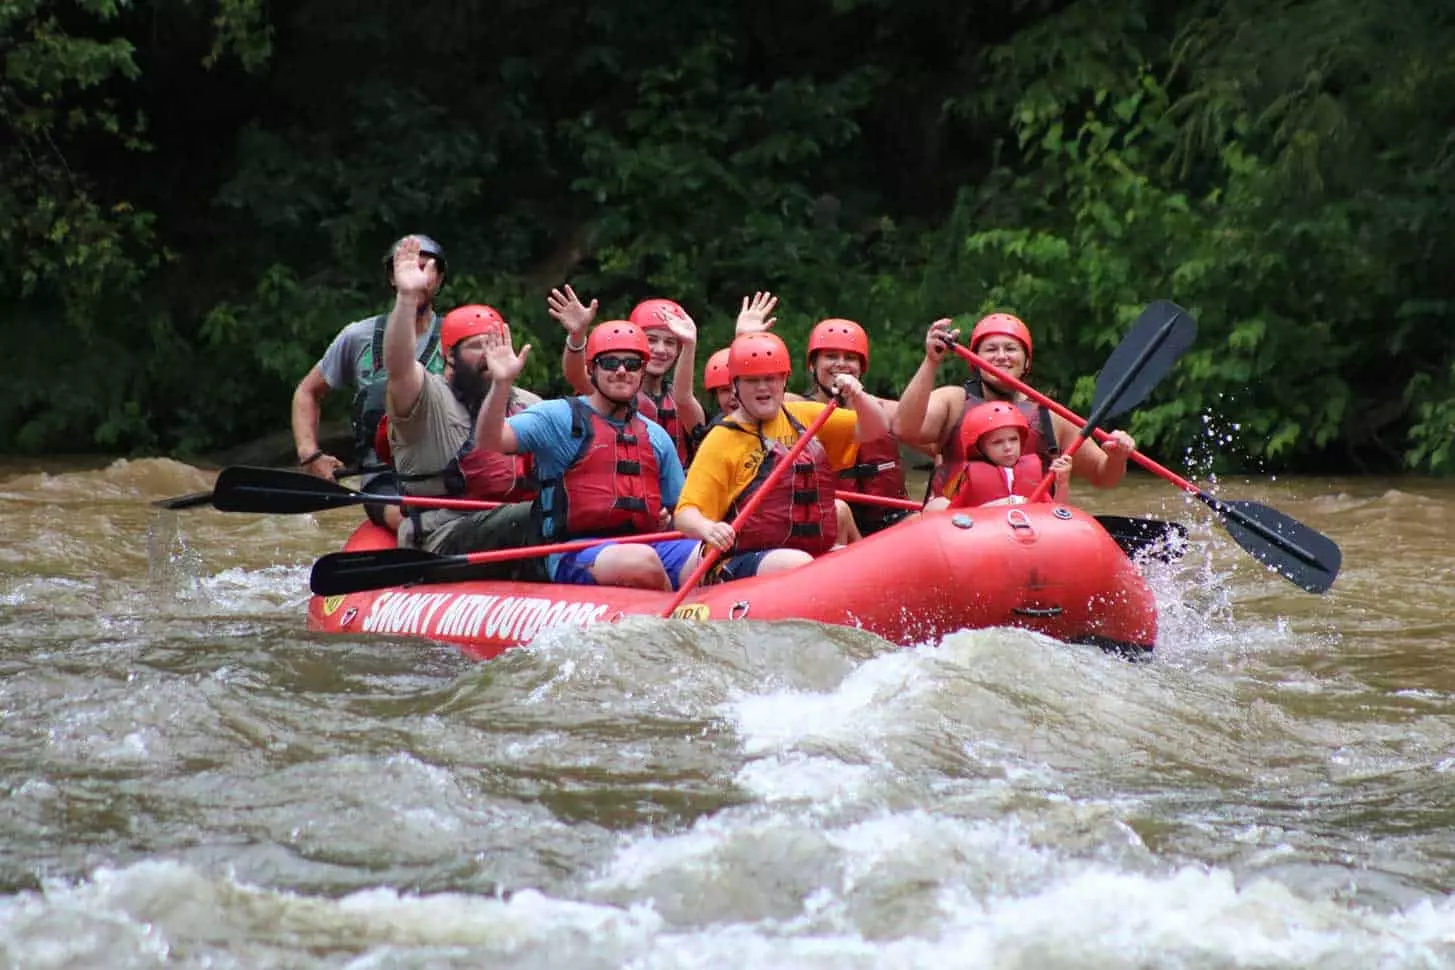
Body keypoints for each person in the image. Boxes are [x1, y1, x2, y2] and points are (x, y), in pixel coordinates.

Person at [477, 320, 703, 590]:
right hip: (573, 551)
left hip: (645, 544)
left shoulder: (655, 437)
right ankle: (673, 616)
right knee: (641, 561)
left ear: (642, 372)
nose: (621, 371)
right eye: (610, 363)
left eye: (631, 365)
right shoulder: (558, 417)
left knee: (706, 555)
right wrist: (501, 384)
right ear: (591, 369)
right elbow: (491, 440)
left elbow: (681, 510)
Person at [381, 239, 546, 576]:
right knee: (538, 513)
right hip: (440, 537)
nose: (490, 354)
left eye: (496, 344)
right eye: (476, 347)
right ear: (448, 357)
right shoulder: (427, 397)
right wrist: (407, 299)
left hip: (513, 530)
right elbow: (398, 366)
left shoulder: (530, 404)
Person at [673, 332, 890, 583]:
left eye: (771, 378)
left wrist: (858, 396)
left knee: (849, 559)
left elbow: (877, 428)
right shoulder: (720, 440)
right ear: (735, 386)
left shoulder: (803, 417)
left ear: (785, 381)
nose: (763, 387)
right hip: (736, 560)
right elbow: (685, 515)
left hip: (802, 551)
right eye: (753, 380)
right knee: (797, 563)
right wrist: (708, 528)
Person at [290, 233, 447, 530]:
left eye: (426, 268)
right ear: (392, 277)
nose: (417, 274)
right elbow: (307, 393)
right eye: (409, 266)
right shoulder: (357, 336)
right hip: (382, 473)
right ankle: (414, 528)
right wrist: (311, 454)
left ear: (438, 280)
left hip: (443, 468)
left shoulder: (459, 337)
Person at [894, 314, 1136, 501]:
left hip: (1028, 531)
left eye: (1010, 349)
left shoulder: (1050, 416)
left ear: (1026, 362)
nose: (1001, 356)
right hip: (961, 530)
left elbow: (1103, 477)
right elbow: (905, 429)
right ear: (975, 361)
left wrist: (1117, 457)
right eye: (990, 349)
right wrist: (931, 361)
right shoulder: (953, 401)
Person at [551, 286, 705, 466]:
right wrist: (577, 337)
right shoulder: (609, 387)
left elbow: (685, 401)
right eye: (652, 340)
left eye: (670, 342)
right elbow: (575, 375)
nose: (661, 350)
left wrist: (689, 344)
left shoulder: (680, 401)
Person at [797, 317, 921, 536]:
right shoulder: (794, 407)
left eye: (850, 358)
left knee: (922, 520)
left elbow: (938, 437)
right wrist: (745, 337)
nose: (841, 363)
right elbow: (752, 406)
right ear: (811, 365)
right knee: (839, 513)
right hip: (831, 520)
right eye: (831, 356)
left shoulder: (881, 408)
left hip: (888, 519)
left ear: (861, 368)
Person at [940, 402, 1073, 509]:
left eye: (1013, 439)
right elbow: (951, 518)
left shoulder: (1032, 476)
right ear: (979, 449)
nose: (1008, 447)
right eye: (997, 442)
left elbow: (1056, 512)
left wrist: (1062, 483)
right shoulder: (968, 478)